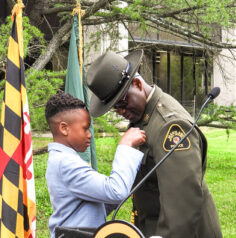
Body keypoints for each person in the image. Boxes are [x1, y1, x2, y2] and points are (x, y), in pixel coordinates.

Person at [86, 50, 223, 238]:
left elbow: (182, 207)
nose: (121, 111)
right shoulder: (143, 115)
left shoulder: (171, 127)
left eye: (122, 102)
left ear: (137, 84)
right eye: (115, 108)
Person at [44, 92, 146, 238]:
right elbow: (116, 191)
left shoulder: (63, 159)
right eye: (85, 128)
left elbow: (93, 204)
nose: (89, 135)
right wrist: (125, 145)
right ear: (64, 128)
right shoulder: (66, 163)